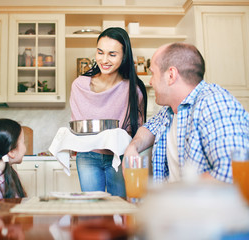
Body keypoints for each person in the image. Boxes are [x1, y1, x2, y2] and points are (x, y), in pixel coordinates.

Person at [124, 42, 249, 183]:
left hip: (203, 204)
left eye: (153, 73)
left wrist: (171, 194)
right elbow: (149, 128)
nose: (151, 82)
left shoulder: (214, 103)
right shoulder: (169, 110)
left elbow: (233, 174)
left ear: (171, 75)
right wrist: (132, 147)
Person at [70, 27, 147, 197]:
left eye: (112, 54)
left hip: (119, 157)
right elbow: (78, 127)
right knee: (93, 211)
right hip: (88, 156)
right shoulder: (79, 85)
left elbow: (136, 130)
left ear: (124, 56)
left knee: (120, 208)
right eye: (100, 52)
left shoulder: (133, 90)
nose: (104, 60)